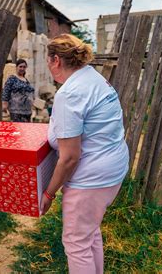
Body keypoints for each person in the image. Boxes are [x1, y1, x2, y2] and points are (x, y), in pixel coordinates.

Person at [40, 34, 129, 274]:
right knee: (89, 232)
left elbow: (69, 158)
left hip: (91, 179)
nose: (47, 66)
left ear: (56, 60)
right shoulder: (92, 77)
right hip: (112, 167)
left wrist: (49, 192)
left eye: (48, 60)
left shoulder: (69, 94)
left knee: (76, 243)